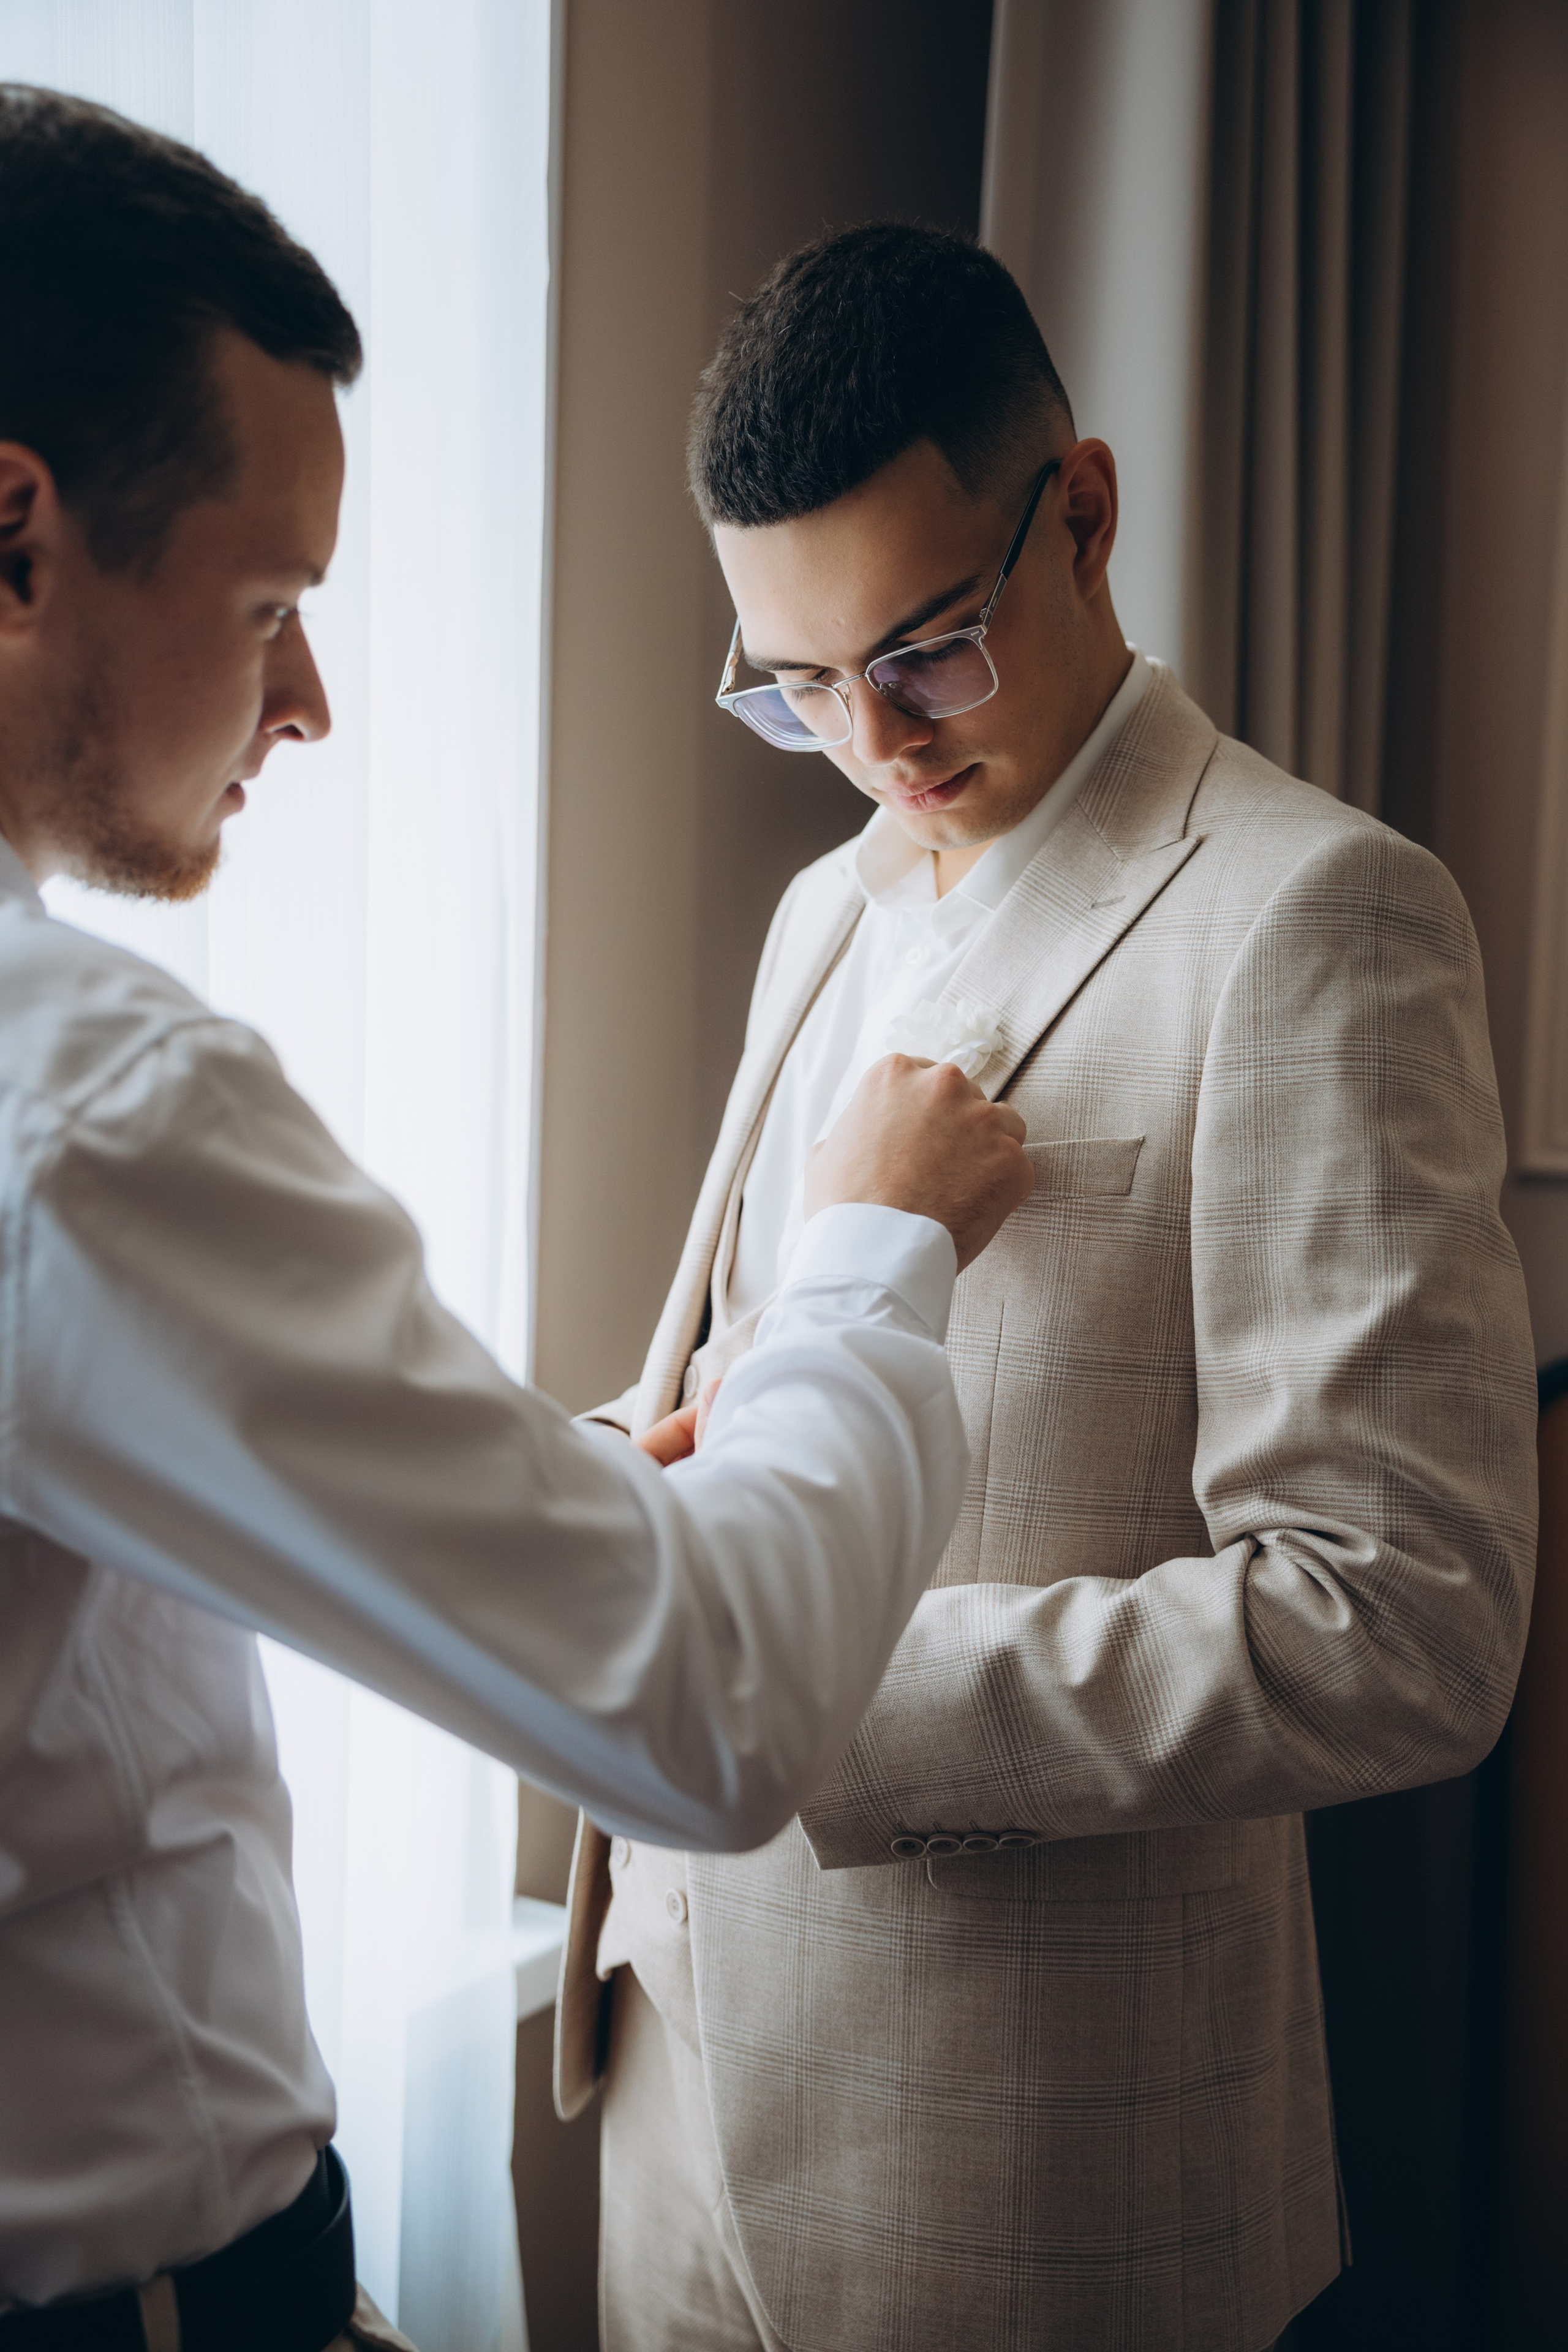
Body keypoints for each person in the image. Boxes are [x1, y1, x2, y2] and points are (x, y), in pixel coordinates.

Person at [0, 96, 1035, 2351]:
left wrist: (546, 1492)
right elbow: (709, 1705)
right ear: (13, 533)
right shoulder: (79, 1102)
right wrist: (870, 1260)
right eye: (270, 599)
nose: (312, 697)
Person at [557, 223, 1540, 2352]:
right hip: (672, 2084)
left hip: (1023, 2162)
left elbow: (1405, 1623)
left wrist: (823, 1698)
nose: (874, 744)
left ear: (1081, 511)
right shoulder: (824, 903)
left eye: (925, 649)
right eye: (795, 684)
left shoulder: (1321, 920)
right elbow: (777, 1375)